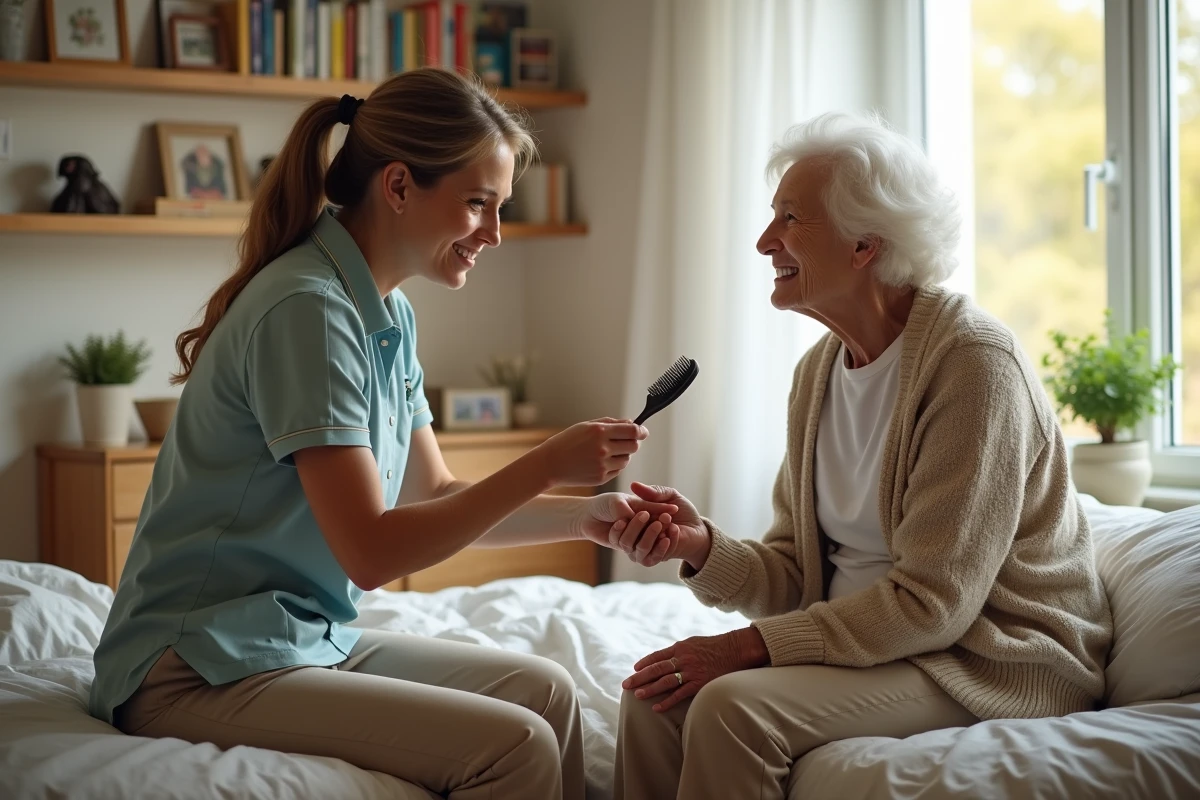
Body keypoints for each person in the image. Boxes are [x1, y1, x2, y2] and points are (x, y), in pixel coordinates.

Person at [89, 68, 679, 800]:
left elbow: (436, 493)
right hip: (193, 665)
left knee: (549, 693)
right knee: (513, 745)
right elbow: (371, 552)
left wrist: (586, 518)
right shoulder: (308, 311)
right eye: (477, 204)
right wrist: (545, 463)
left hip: (288, 641)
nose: (494, 234)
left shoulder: (386, 314)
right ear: (398, 186)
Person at [608, 111, 1113, 800]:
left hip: (986, 660)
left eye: (790, 218)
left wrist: (745, 648)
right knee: (652, 698)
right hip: (881, 647)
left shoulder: (973, 365)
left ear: (864, 245)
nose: (764, 241)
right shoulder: (818, 375)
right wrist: (697, 545)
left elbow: (932, 605)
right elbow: (795, 571)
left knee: (733, 710)